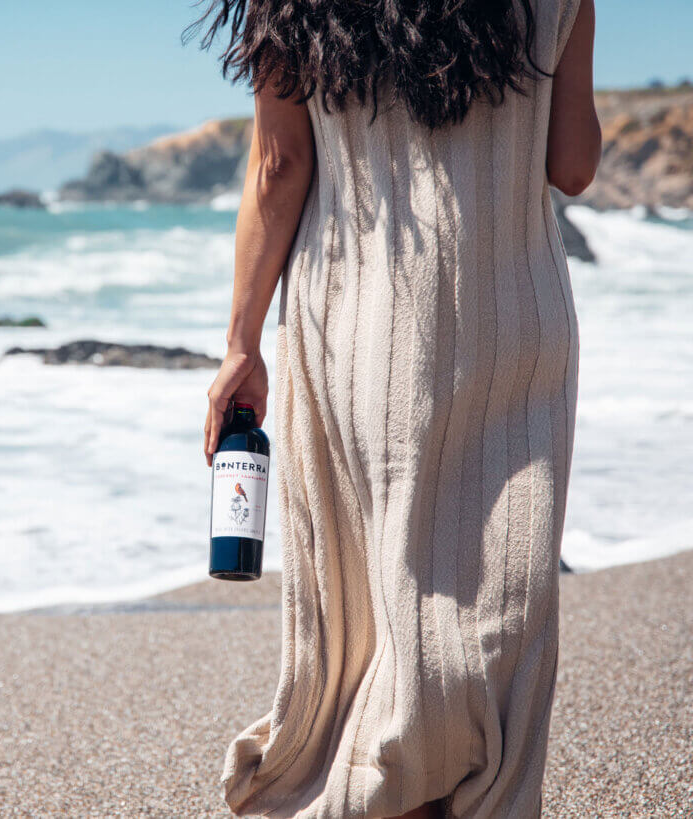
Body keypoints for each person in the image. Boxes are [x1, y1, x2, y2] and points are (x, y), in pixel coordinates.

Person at [187, 0, 600, 815]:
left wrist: (241, 342)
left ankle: (375, 784)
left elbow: (278, 167)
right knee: (494, 607)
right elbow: (574, 165)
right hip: (507, 320)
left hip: (356, 325)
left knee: (377, 603)